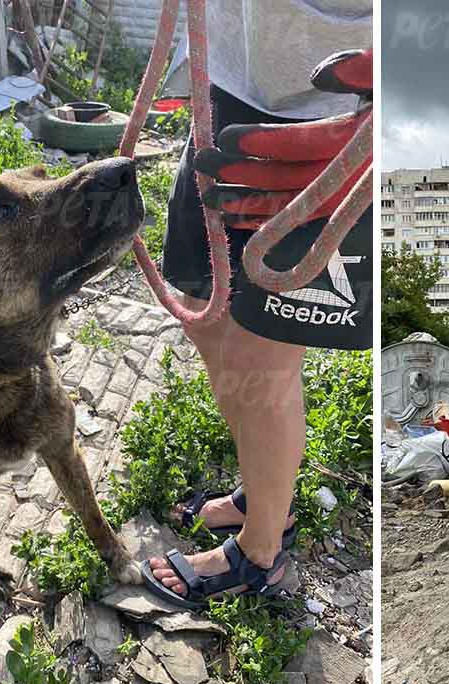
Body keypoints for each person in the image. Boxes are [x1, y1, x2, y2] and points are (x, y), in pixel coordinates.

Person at [141, 2, 372, 608]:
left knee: (259, 359)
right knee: (203, 310)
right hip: (226, 89)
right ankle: (263, 490)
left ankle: (261, 549)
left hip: (334, 125)